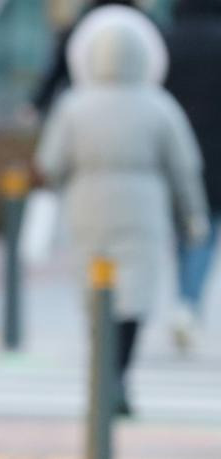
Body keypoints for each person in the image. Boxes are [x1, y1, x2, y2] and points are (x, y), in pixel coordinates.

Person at [35, 5, 208, 415]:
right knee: (135, 297)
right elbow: (184, 168)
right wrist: (193, 216)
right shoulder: (160, 105)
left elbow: (51, 165)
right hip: (144, 214)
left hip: (88, 212)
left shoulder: (74, 106)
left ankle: (103, 375)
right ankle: (119, 376)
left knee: (98, 294)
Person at [164, 0, 221, 349]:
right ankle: (188, 302)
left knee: (179, 228)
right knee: (206, 227)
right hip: (216, 153)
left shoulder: (165, 39)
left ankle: (183, 297)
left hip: (171, 150)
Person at [30, 0, 138, 116]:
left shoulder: (82, 23)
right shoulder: (82, 24)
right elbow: (58, 67)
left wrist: (37, 103)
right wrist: (37, 103)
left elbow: (57, 68)